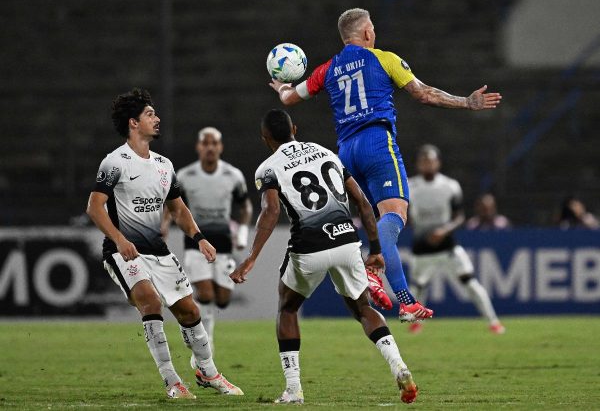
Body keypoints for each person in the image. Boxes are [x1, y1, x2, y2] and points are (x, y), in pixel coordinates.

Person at [270, 7, 501, 321]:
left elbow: (288, 100)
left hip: (346, 153)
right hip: (377, 143)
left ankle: (374, 271)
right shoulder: (384, 58)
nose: (374, 33)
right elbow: (423, 94)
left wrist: (282, 86)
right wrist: (465, 102)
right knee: (394, 216)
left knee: (373, 217)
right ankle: (405, 300)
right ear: (366, 33)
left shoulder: (327, 69)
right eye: (372, 28)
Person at [230, 109, 419, 405]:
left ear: (265, 138)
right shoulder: (326, 153)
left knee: (288, 307)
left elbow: (271, 211)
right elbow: (362, 202)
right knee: (362, 308)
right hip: (346, 239)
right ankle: (399, 366)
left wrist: (252, 257)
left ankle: (293, 389)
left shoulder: (268, 168)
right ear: (294, 127)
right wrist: (376, 249)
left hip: (309, 245)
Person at [86, 88, 243, 399]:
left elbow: (178, 208)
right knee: (150, 301)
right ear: (133, 123)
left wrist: (199, 238)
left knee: (189, 312)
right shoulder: (115, 162)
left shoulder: (164, 165)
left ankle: (208, 372)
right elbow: (94, 207)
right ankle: (173, 382)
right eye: (149, 115)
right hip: (124, 252)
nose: (157, 119)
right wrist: (118, 240)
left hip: (158, 251)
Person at [164, 127, 252, 352]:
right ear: (199, 147)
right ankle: (206, 344)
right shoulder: (184, 176)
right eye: (206, 143)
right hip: (195, 242)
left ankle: (200, 334)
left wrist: (242, 231)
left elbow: (245, 206)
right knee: (206, 295)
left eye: (214, 143)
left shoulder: (232, 175)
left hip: (223, 243)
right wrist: (164, 226)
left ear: (220, 147)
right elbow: (171, 206)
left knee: (222, 299)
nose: (210, 148)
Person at [407, 145, 505, 334]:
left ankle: (493, 322)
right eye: (424, 161)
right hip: (422, 246)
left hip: (448, 246)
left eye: (431, 160)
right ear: (419, 164)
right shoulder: (409, 186)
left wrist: (444, 230)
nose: (427, 164)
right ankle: (416, 322)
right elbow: (403, 213)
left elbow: (459, 216)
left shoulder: (450, 186)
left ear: (438, 163)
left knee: (470, 282)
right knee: (418, 286)